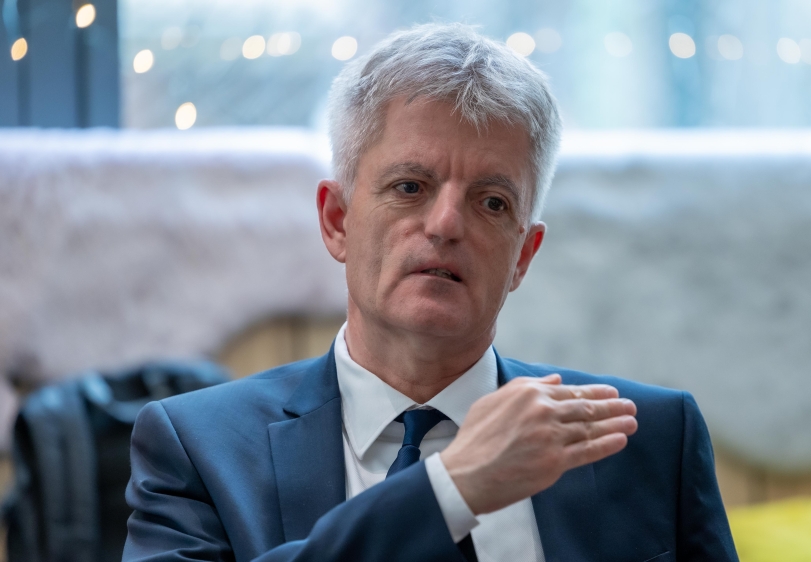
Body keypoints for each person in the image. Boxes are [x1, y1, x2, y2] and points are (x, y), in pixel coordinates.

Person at [122, 22, 738, 562]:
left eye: (491, 202)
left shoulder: (649, 439)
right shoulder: (198, 447)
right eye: (410, 187)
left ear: (523, 256)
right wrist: (451, 489)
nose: (446, 225)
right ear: (337, 220)